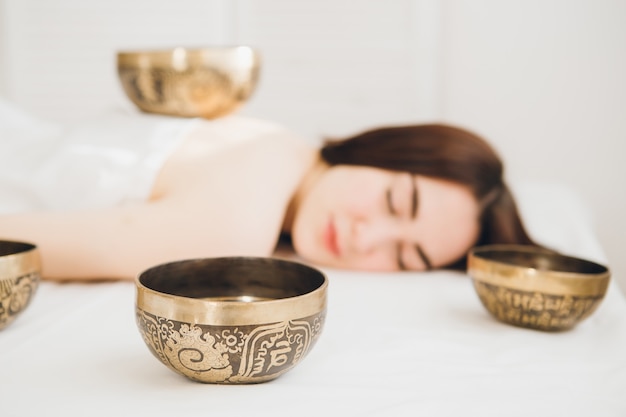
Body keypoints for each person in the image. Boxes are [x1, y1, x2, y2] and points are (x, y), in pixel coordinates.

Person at [0, 98, 536, 281]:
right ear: (377, 151)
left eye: (405, 256)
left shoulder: (277, 141)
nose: (366, 238)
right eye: (396, 201)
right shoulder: (241, 226)